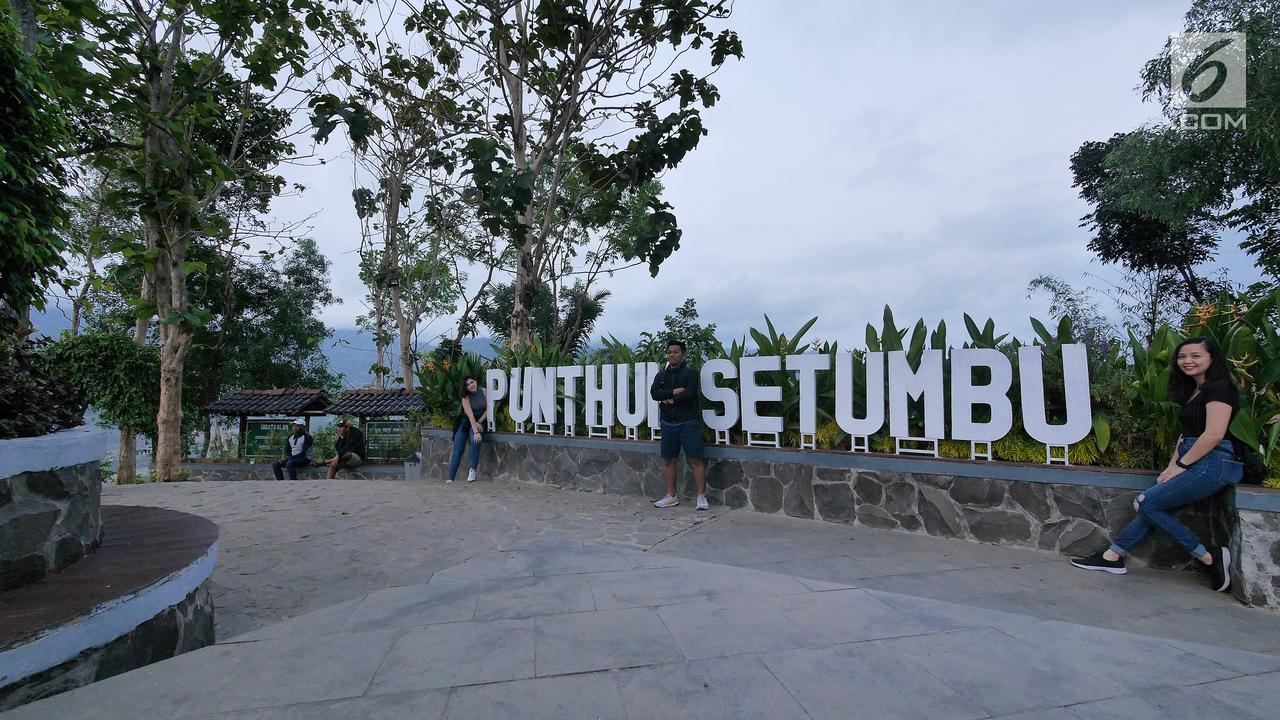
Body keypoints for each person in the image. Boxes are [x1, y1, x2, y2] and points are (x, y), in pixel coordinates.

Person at [1071, 336, 1242, 592]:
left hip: (1214, 461)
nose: (1188, 361)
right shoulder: (1194, 391)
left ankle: (1208, 557)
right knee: (1152, 505)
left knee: (1147, 502)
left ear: (1212, 358)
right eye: (1183, 356)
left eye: (1196, 356)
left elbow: (1214, 434)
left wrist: (1181, 466)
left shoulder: (1220, 388)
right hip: (1195, 457)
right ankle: (1113, 556)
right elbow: (1186, 435)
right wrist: (1172, 465)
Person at [650, 339, 709, 510]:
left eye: (675, 352)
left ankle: (701, 497)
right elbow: (654, 393)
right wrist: (673, 392)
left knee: (695, 460)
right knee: (669, 460)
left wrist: (669, 399)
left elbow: (689, 393)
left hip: (688, 422)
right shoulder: (660, 376)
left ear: (683, 354)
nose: (672, 355)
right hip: (668, 423)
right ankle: (671, 496)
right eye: (669, 352)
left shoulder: (690, 373)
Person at [447, 376, 487, 483]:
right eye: (468, 385)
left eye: (472, 382)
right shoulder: (465, 397)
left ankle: (472, 470)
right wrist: (476, 431)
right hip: (465, 422)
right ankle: (451, 478)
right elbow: (470, 415)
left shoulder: (484, 392)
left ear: (476, 381)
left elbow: (489, 409)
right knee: (458, 450)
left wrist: (479, 423)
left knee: (475, 440)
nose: (471, 386)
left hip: (479, 421)